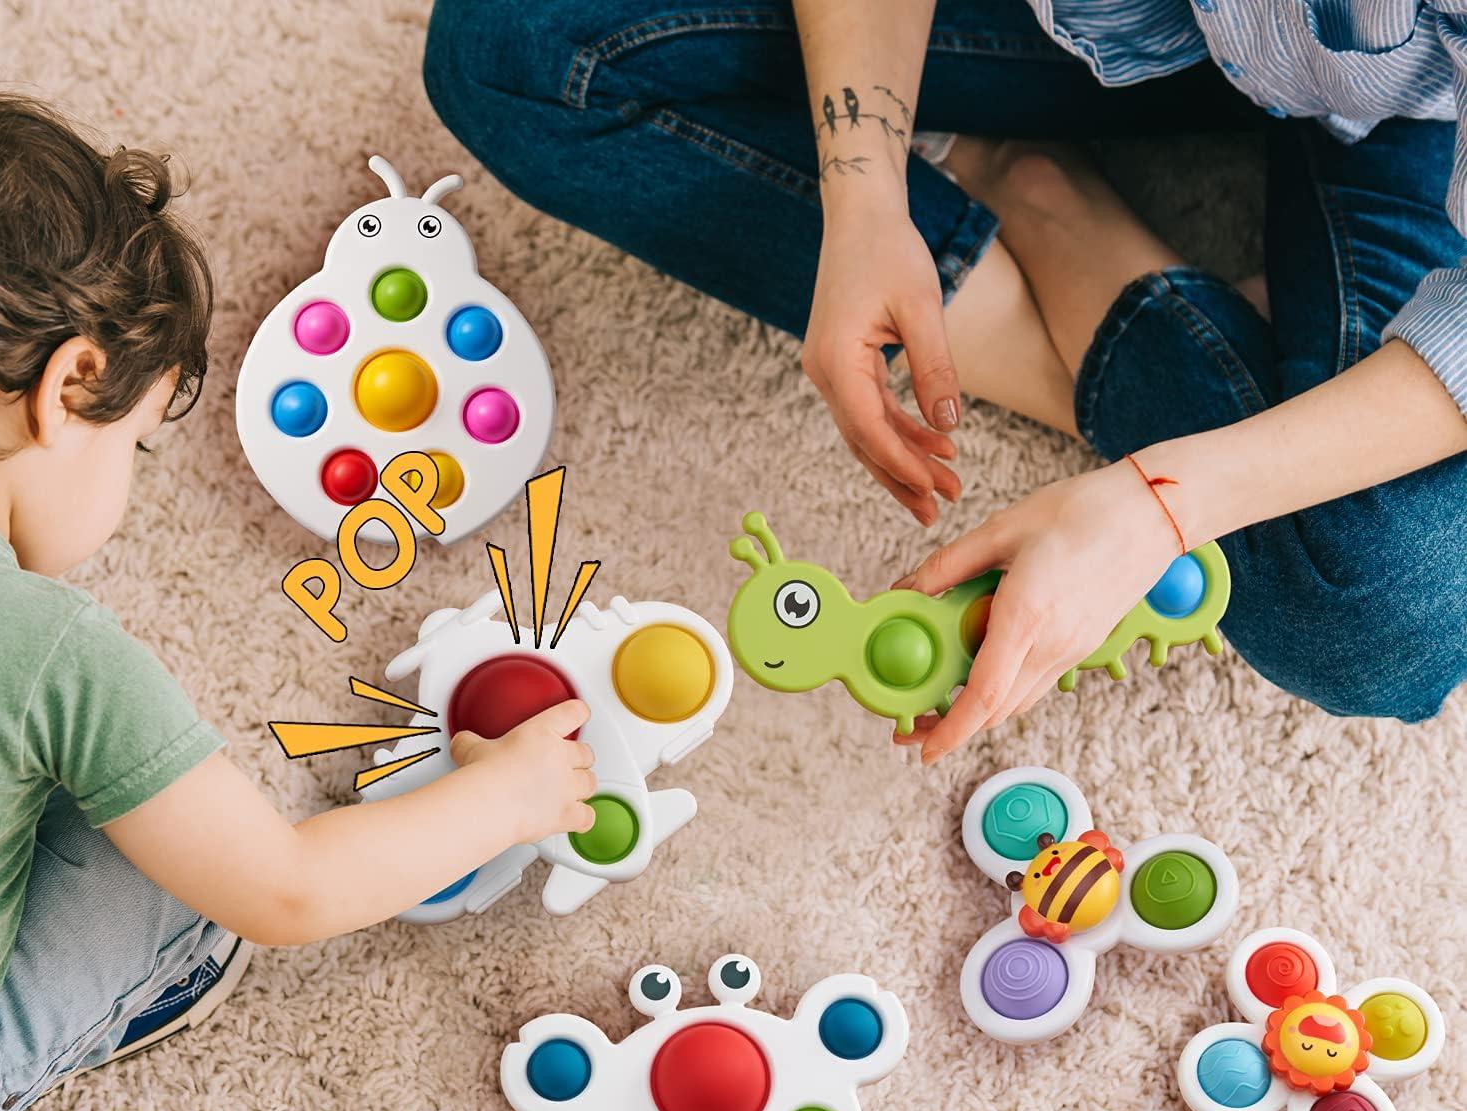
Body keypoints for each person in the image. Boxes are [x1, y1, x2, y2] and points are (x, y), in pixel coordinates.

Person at [424, 0, 1467, 761]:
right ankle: (1075, 251)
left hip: (1424, 110)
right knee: (513, 52)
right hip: (1120, 28)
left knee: (1381, 622)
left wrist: (1161, 503)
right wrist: (864, 191)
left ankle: (1045, 208)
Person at [0, 93, 596, 1111]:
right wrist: (509, 796)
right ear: (71, 387)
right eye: (136, 445)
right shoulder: (56, 652)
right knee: (172, 870)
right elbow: (286, 888)